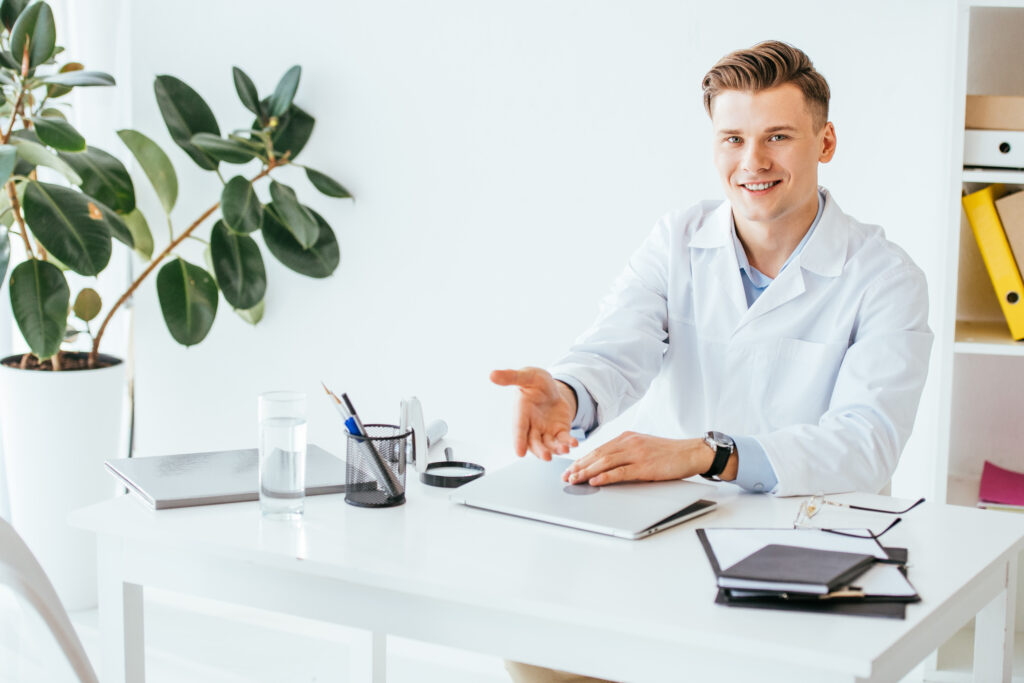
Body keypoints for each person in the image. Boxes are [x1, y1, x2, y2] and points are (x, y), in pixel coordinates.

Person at [491, 40, 933, 683]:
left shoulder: (885, 277)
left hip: (813, 545)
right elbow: (618, 345)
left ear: (826, 141)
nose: (752, 162)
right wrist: (569, 393)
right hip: (675, 528)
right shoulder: (678, 239)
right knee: (536, 650)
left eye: (777, 136)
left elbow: (867, 445)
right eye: (732, 139)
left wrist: (710, 453)